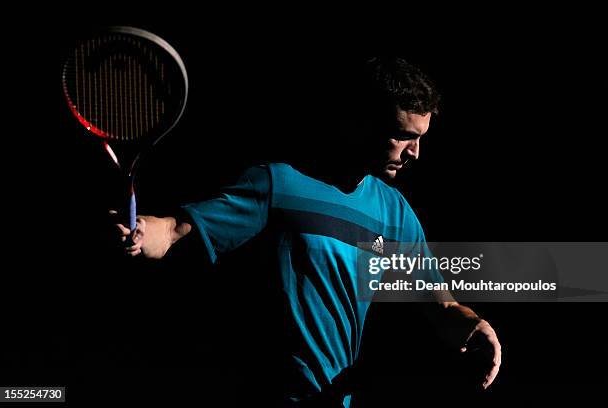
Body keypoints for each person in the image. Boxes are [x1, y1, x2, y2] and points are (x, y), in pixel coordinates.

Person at [115, 57, 501, 407]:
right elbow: (175, 232)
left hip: (335, 403)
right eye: (403, 135)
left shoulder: (394, 212)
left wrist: (474, 324)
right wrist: (143, 231)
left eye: (420, 138)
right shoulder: (279, 184)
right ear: (360, 122)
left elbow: (441, 306)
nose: (414, 151)